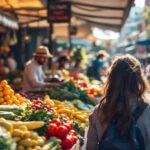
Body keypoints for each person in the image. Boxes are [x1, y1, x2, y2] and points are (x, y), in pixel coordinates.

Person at [86, 54, 150, 150]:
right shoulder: (147, 112)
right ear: (138, 79)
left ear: (111, 79)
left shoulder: (98, 113)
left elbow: (90, 147)